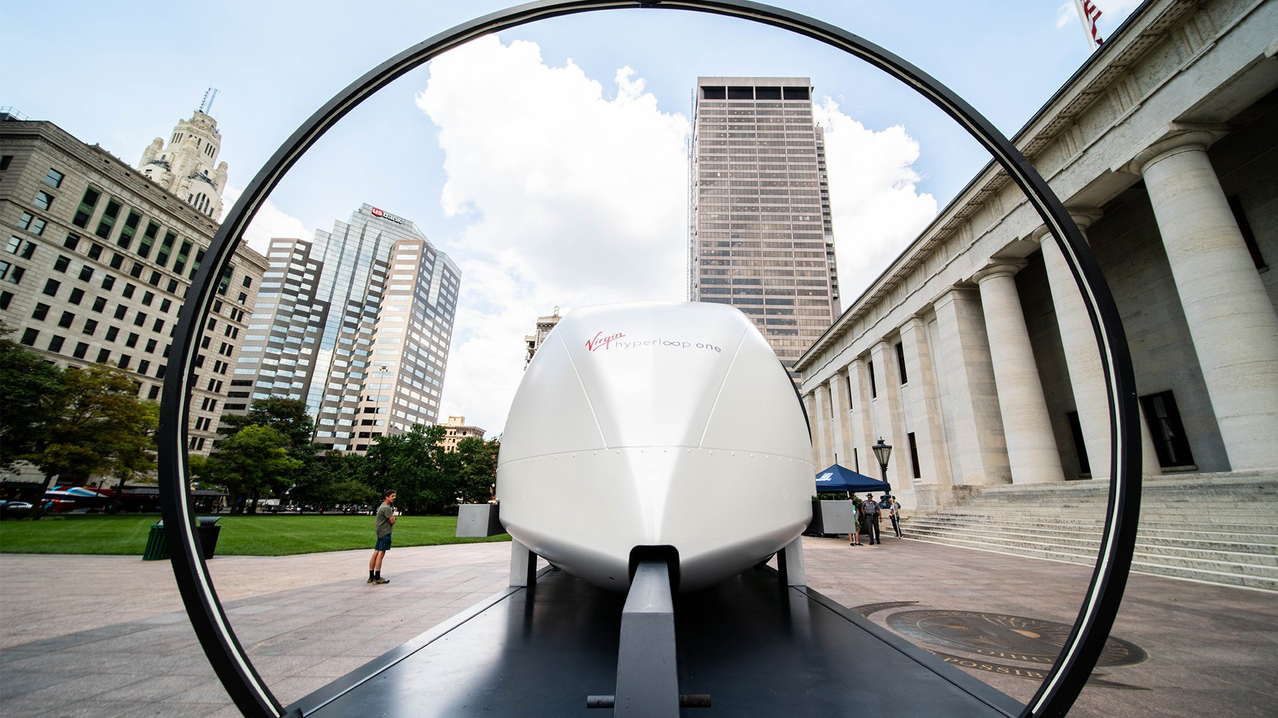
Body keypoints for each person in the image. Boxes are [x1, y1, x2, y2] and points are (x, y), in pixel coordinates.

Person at [368, 489, 397, 584]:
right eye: (392, 496)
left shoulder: (382, 506)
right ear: (387, 497)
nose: (394, 498)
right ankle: (377, 576)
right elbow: (392, 521)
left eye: (394, 496)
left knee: (376, 552)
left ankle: (371, 576)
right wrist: (394, 520)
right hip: (385, 532)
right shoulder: (386, 508)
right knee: (381, 553)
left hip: (380, 532)